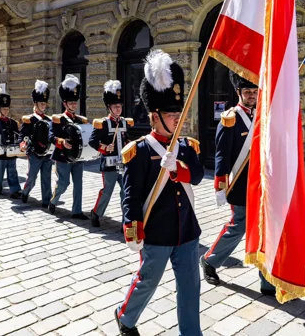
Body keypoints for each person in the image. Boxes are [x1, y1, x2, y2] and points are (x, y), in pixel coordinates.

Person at [114, 50, 204, 336]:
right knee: (148, 280)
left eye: (179, 113)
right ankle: (125, 316)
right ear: (155, 117)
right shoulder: (139, 151)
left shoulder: (188, 146)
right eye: (170, 114)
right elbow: (131, 194)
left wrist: (179, 167)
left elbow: (199, 175)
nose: (177, 119)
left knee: (190, 287)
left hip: (187, 231)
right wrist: (132, 225)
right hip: (156, 230)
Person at [200, 71, 276, 296]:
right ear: (238, 92)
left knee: (265, 229)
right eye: (247, 92)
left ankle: (266, 281)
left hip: (263, 183)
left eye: (254, 91)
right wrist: (220, 186)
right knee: (239, 226)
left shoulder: (261, 115)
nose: (252, 95)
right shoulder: (230, 118)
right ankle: (210, 261)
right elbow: (221, 156)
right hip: (240, 183)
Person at [88, 80, 133, 227]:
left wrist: (128, 144)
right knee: (107, 191)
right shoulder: (103, 123)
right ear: (109, 107)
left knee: (126, 192)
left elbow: (125, 138)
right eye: (115, 106)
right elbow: (93, 141)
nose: (118, 109)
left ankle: (125, 222)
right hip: (109, 163)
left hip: (123, 163)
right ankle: (96, 213)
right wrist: (105, 147)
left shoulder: (124, 123)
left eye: (120, 106)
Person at [47, 75, 88, 219]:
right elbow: (51, 137)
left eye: (75, 103)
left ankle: (77, 211)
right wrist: (62, 142)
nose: (74, 106)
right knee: (64, 183)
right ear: (65, 104)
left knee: (78, 185)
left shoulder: (80, 120)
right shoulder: (57, 119)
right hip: (63, 157)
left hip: (77, 156)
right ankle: (53, 201)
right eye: (71, 103)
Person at [19, 80, 53, 207]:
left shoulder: (49, 120)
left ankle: (46, 201)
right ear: (35, 104)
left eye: (45, 103)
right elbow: (23, 136)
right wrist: (22, 144)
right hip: (34, 152)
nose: (43, 106)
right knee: (32, 177)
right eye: (41, 103)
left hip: (47, 153)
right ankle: (25, 192)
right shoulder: (30, 119)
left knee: (46, 179)